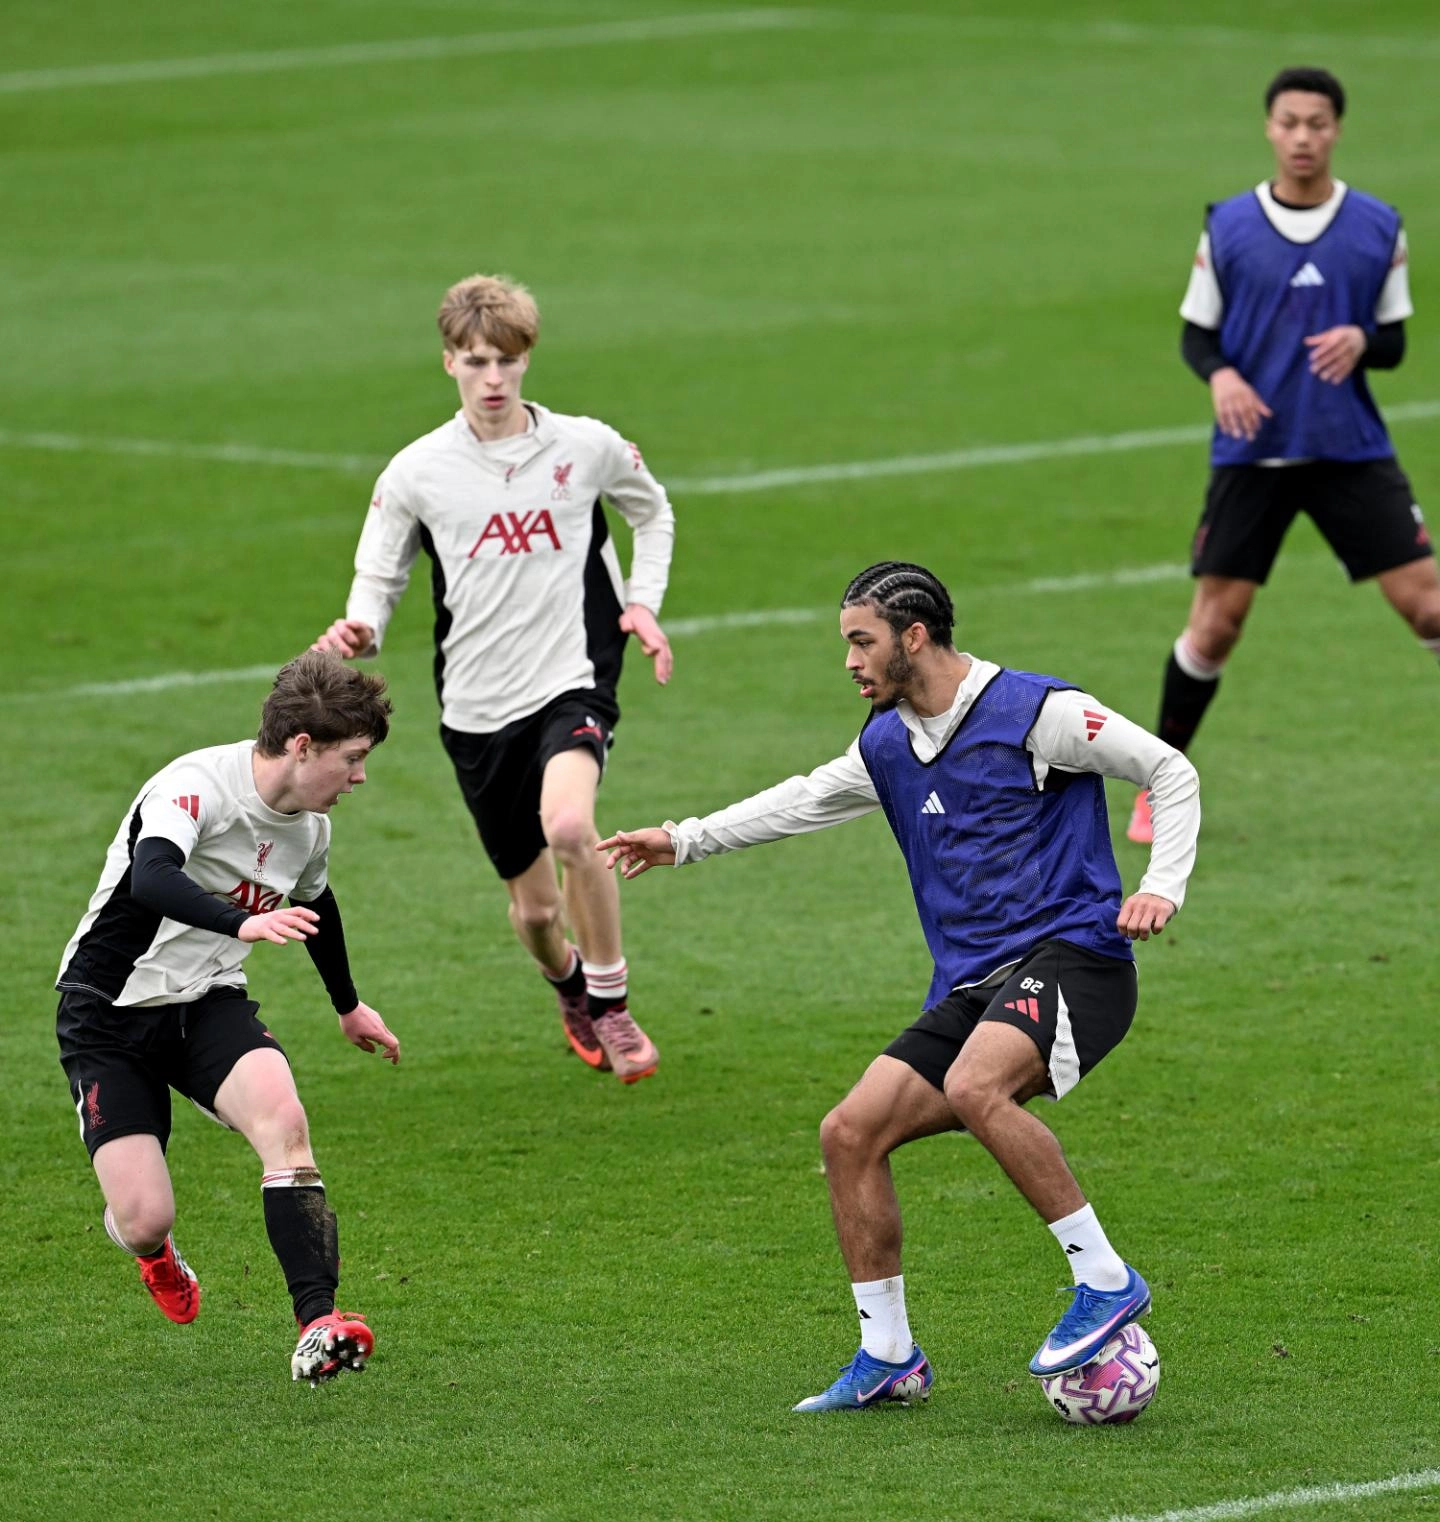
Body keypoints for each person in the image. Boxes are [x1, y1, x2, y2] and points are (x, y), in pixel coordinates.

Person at [598, 563, 1200, 1411]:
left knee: (976, 1084)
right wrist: (682, 839)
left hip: (1078, 960)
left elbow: (1169, 769)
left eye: (861, 641)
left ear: (913, 637)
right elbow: (804, 799)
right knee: (849, 1133)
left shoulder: (1038, 713)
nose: (850, 660)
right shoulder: (887, 741)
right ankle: (888, 1354)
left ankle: (1104, 1279)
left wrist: (1161, 885)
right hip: (975, 985)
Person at [313, 273, 674, 1083]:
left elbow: (652, 511)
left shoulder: (584, 446)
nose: (493, 378)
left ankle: (613, 1005)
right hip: (476, 707)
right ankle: (569, 984)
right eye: (476, 361)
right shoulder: (418, 470)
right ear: (449, 361)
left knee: (573, 827)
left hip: (573, 677)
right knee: (537, 911)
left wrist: (642, 603)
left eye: (507, 360)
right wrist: (361, 627)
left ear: (527, 358)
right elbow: (378, 578)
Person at [55, 652, 401, 1386]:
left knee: (286, 1122)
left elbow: (318, 904)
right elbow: (152, 876)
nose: (360, 777)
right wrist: (240, 923)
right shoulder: (194, 787)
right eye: (352, 758)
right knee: (144, 1216)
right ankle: (154, 1253)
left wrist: (348, 1006)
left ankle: (318, 1323)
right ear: (302, 746)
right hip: (108, 1009)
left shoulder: (310, 829)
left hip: (208, 1001)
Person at [1128, 65, 1439, 844]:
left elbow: (1394, 340)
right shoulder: (1230, 226)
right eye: (1290, 122)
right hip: (1253, 455)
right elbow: (1197, 334)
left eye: (1318, 124)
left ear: (1337, 130)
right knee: (1215, 628)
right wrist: (1222, 374)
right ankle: (1159, 783)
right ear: (1270, 128)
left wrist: (1362, 337)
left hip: (1349, 450)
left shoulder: (1377, 226)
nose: (1304, 137)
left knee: (1430, 606)